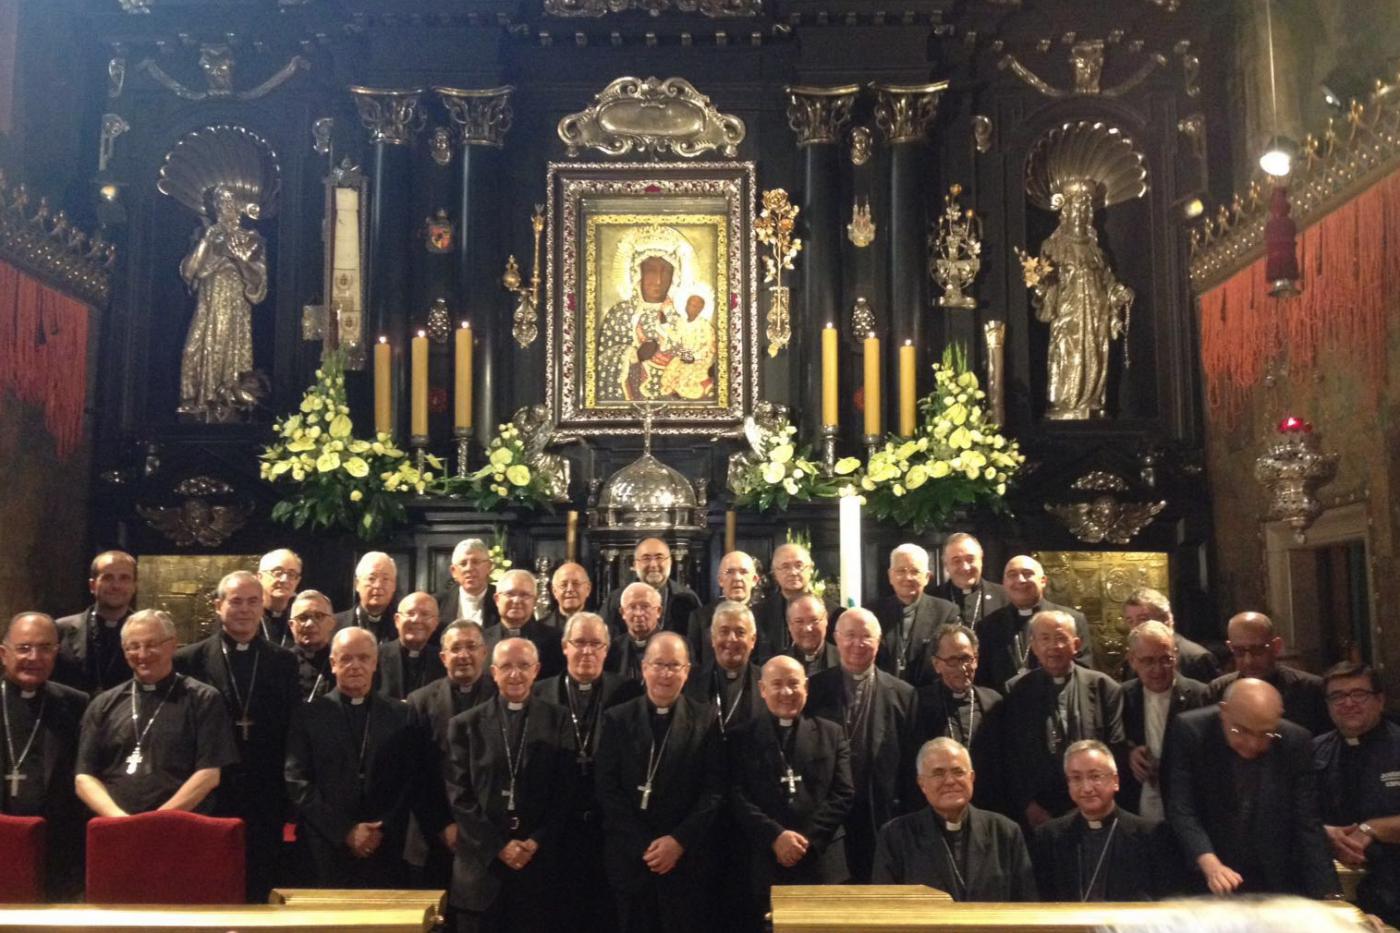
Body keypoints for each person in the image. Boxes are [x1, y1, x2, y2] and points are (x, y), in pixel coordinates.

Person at [175, 570, 299, 901]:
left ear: (262, 606)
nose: (244, 609)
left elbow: (291, 728)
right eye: (236, 601)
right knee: (210, 881)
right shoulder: (189, 660)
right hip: (211, 793)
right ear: (218, 606)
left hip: (266, 791)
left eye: (252, 602)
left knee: (262, 882)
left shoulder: (284, 661)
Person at [595, 632, 723, 933]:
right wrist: (645, 845)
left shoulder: (706, 720)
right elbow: (607, 788)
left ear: (687, 671)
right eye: (658, 664)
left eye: (674, 666)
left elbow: (714, 789)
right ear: (644, 668)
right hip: (630, 859)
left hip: (685, 860)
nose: (665, 674)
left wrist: (678, 841)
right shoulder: (618, 718)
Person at [1163, 677, 1338, 898]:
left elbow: (1307, 823)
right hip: (1206, 870)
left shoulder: (1295, 740)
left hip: (1273, 873)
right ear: (1224, 712)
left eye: (1266, 733)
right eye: (1242, 731)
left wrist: (1330, 896)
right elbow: (1182, 808)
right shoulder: (1191, 730)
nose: (1254, 744)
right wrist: (1209, 862)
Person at [445, 638, 574, 933]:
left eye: (523, 666)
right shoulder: (465, 724)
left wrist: (537, 839)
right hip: (480, 870)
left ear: (537, 670)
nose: (515, 674)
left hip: (537, 868)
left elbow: (564, 791)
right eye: (506, 667)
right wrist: (498, 847)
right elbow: (459, 796)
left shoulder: (558, 719)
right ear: (493, 671)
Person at [284, 627, 423, 887]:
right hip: (324, 845)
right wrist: (344, 831)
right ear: (333, 664)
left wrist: (380, 829)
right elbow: (297, 781)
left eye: (363, 658)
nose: (355, 666)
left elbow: (410, 778)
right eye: (346, 659)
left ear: (375, 663)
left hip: (385, 844)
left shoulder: (400, 715)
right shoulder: (309, 715)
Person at [75, 610, 237, 817]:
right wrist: (119, 819)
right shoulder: (103, 704)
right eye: (133, 646)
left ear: (172, 644)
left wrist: (157, 820)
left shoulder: (203, 699)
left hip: (180, 825)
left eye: (152, 645)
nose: (142, 655)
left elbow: (209, 774)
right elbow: (84, 777)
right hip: (115, 828)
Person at [729, 655, 853, 921]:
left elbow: (843, 794)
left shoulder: (831, 733)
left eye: (794, 684)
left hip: (821, 859)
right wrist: (776, 836)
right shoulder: (740, 738)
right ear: (763, 689)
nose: (786, 692)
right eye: (777, 684)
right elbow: (737, 796)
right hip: (764, 859)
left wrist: (804, 839)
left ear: (806, 688)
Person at [532, 612, 634, 933]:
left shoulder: (628, 692)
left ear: (606, 649)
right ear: (564, 646)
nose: (587, 651)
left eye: (595, 644)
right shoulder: (539, 693)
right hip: (556, 827)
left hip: (608, 825)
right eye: (579, 643)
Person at [805, 608, 918, 882]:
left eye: (866, 636)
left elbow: (910, 764)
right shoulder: (813, 689)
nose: (858, 644)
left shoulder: (904, 694)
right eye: (850, 636)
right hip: (828, 818)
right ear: (836, 638)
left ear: (878, 642)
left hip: (881, 814)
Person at [872, 737, 1036, 901]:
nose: (950, 781)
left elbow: (1027, 904)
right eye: (938, 773)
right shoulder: (896, 836)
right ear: (922, 784)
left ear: (971, 778)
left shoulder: (1005, 832)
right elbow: (885, 907)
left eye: (958, 772)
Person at [1004, 610, 1126, 828]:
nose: (1053, 646)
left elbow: (1115, 748)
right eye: (1045, 638)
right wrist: (1028, 803)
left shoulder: (1104, 687)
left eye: (1061, 638)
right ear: (1033, 645)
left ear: (1076, 644)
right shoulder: (1017, 690)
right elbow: (1011, 754)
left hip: (1093, 802)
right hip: (1038, 809)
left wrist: (1095, 799)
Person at [1025, 176, 1133, 420]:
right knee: (1068, 356)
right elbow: (1045, 283)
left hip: (1095, 313)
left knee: (1093, 357)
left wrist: (1119, 293)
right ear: (1065, 212)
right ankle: (1066, 403)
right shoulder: (1053, 246)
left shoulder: (1096, 250)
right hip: (1068, 313)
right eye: (1075, 208)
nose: (1080, 214)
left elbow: (1107, 280)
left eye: (1085, 209)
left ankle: (1092, 401)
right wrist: (1041, 285)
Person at [0, 612, 90, 899]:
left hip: (56, 847)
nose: (34, 657)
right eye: (24, 648)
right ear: (4, 654)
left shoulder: (76, 704)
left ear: (56, 653)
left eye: (45, 648)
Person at [407, 621, 498, 889]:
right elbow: (416, 774)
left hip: (490, 832)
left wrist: (479, 828)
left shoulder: (501, 695)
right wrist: (443, 825)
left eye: (471, 646)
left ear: (484, 652)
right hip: (434, 832)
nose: (464, 655)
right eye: (455, 648)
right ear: (443, 657)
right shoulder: (420, 702)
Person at [1031, 739, 1180, 901]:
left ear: (1115, 781)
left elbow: (1167, 903)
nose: (1087, 788)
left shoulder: (1151, 835)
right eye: (1076, 778)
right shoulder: (1049, 836)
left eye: (1095, 776)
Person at [1312, 662, 1399, 924]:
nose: (1348, 703)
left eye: (1358, 694)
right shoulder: (1313, 751)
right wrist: (1324, 832)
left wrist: (1370, 829)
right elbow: (1297, 817)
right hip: (1336, 896)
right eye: (1337, 696)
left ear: (1380, 700)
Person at [178, 184, 268, 418]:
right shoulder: (205, 237)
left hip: (233, 306)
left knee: (229, 355)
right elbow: (189, 272)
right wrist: (206, 241)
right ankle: (194, 400)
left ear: (238, 207)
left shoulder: (250, 239)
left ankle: (226, 402)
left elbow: (258, 285)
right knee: (191, 350)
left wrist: (240, 261)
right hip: (207, 304)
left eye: (228, 203)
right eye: (218, 204)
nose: (223, 209)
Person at [1119, 620, 1209, 819]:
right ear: (1132, 660)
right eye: (1148, 661)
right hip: (1137, 807)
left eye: (1165, 659)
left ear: (1175, 656)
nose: (1158, 669)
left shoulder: (1201, 695)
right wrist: (1129, 753)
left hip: (1186, 807)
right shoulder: (1120, 696)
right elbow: (1110, 741)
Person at [914, 623, 1005, 814]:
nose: (962, 668)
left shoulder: (994, 702)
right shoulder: (918, 704)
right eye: (952, 661)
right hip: (934, 809)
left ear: (976, 660)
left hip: (987, 807)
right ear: (936, 664)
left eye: (966, 658)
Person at [975, 555, 1092, 691]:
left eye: (1027, 574)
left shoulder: (1072, 619)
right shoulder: (988, 625)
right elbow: (983, 679)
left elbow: (1083, 671)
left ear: (1043, 580)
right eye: (1012, 575)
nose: (1020, 580)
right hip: (1005, 707)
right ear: (1004, 583)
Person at [1208, 611, 1329, 735]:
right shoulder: (1218, 690)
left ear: (1276, 646)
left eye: (1258, 650)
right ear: (1230, 647)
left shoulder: (1311, 689)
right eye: (1239, 651)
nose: (1248, 661)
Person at [873, 544, 959, 686]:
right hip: (884, 697)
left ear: (926, 577)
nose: (908, 577)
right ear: (890, 576)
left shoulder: (946, 612)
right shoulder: (872, 613)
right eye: (901, 571)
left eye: (915, 571)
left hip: (928, 697)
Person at [55, 550, 138, 694]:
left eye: (124, 578)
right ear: (92, 586)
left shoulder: (149, 634)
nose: (116, 586)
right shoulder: (60, 629)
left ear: (134, 586)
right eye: (108, 578)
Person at [682, 601, 763, 739]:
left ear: (753, 640)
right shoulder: (690, 681)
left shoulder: (766, 681)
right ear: (713, 639)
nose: (732, 639)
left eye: (740, 632)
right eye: (724, 632)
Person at [602, 538, 700, 640]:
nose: (653, 565)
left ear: (670, 562)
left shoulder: (688, 599)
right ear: (635, 565)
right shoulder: (616, 600)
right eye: (646, 558)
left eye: (659, 557)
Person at [755, 542, 838, 661]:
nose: (793, 572)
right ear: (774, 573)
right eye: (785, 566)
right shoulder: (759, 614)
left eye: (799, 565)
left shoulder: (834, 613)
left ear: (810, 568)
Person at [1118, 587, 1218, 684]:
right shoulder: (1132, 658)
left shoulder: (1197, 659)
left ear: (1166, 619)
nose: (1135, 627)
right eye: (1130, 621)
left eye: (1143, 619)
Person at [686, 551, 762, 668]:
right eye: (730, 572)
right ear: (720, 580)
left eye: (743, 572)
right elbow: (694, 663)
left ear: (754, 580)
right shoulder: (700, 618)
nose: (737, 578)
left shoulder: (767, 616)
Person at [484, 570, 563, 679]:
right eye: (510, 594)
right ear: (497, 599)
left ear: (535, 601)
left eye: (524, 595)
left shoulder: (555, 641)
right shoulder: (482, 641)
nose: (516, 600)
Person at [378, 592, 446, 700]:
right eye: (410, 613)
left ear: (435, 623)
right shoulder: (376, 656)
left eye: (425, 614)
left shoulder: (444, 661)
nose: (416, 620)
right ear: (397, 620)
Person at [932, 533, 1009, 626]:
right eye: (956, 561)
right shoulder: (932, 599)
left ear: (981, 560)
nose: (965, 567)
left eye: (970, 559)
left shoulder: (1004, 597)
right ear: (946, 565)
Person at [607, 583, 666, 683]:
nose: (638, 613)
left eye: (645, 606)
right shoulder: (613, 648)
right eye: (632, 607)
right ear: (622, 613)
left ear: (659, 611)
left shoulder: (675, 647)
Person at [335, 551, 399, 642]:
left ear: (394, 585)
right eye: (371, 578)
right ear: (357, 584)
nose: (378, 585)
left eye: (385, 579)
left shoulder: (403, 627)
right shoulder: (334, 624)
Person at [287, 590, 337, 703]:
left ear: (332, 623)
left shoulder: (341, 662)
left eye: (319, 616)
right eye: (302, 617)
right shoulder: (280, 662)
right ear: (291, 625)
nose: (310, 624)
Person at [437, 539, 499, 629]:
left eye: (476, 562)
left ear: (489, 567)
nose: (469, 568)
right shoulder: (438, 603)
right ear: (453, 571)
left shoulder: (503, 600)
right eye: (463, 563)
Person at [781, 594, 839, 676]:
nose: (808, 629)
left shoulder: (845, 661)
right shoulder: (779, 664)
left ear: (826, 620)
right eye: (799, 621)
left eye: (814, 620)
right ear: (789, 625)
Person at [256, 548, 303, 647]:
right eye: (277, 573)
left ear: (297, 581)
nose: (284, 579)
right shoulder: (246, 615)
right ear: (259, 577)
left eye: (291, 574)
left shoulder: (301, 619)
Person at [539, 562, 592, 631]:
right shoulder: (540, 628)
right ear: (554, 591)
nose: (570, 589)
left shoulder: (601, 626)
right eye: (563, 585)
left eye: (576, 584)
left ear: (588, 589)